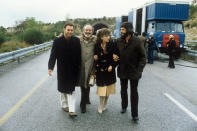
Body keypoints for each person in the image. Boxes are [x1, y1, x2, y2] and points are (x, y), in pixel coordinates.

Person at [48, 23, 81, 117]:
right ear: (64, 29)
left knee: (71, 89)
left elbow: (79, 55)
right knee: (62, 89)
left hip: (73, 69)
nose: (70, 31)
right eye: (68, 30)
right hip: (62, 69)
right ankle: (64, 104)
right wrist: (50, 67)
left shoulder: (76, 40)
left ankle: (71, 110)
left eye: (71, 30)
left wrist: (80, 67)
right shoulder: (57, 41)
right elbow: (53, 55)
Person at [116, 22, 146, 122]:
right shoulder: (118, 41)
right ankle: (124, 106)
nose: (121, 31)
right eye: (121, 29)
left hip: (134, 71)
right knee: (123, 90)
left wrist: (139, 70)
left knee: (134, 92)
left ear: (129, 30)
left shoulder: (137, 41)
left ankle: (134, 114)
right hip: (123, 70)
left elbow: (143, 57)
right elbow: (115, 53)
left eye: (123, 29)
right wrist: (114, 57)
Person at [94, 28, 119, 114]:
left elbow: (117, 58)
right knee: (101, 89)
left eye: (109, 35)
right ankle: (100, 105)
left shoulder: (112, 44)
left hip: (110, 70)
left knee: (108, 89)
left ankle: (105, 104)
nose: (108, 37)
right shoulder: (97, 45)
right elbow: (95, 57)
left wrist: (112, 66)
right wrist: (96, 61)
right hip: (100, 70)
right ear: (101, 37)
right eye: (106, 36)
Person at [78, 24, 96, 113]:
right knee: (83, 84)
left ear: (92, 31)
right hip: (81, 66)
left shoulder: (95, 40)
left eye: (89, 30)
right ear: (83, 30)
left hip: (91, 66)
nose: (88, 32)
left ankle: (85, 100)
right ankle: (83, 103)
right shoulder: (78, 40)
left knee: (88, 83)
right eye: (86, 30)